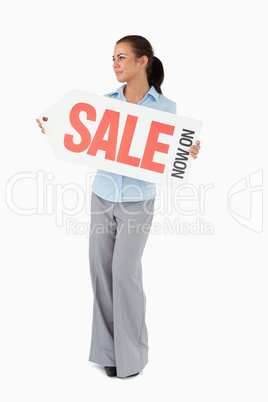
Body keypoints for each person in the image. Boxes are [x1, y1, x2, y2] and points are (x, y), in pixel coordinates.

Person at [36, 35, 201, 379]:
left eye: (121, 57)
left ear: (143, 61)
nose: (114, 64)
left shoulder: (165, 108)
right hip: (101, 196)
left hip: (138, 201)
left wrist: (185, 152)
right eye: (112, 58)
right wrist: (54, 129)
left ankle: (132, 357)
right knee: (101, 273)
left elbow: (169, 153)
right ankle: (107, 353)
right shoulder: (104, 103)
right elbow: (80, 136)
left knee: (125, 275)